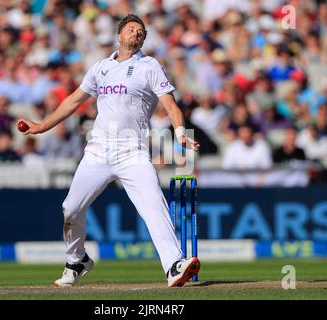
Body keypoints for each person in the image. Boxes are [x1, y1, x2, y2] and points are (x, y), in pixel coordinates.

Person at [18, 14, 201, 287]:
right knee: (71, 209)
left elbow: (171, 105)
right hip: (98, 151)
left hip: (132, 151)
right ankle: (76, 260)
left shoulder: (150, 66)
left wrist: (179, 133)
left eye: (141, 32)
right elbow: (73, 101)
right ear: (119, 36)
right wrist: (43, 126)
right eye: (131, 29)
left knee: (153, 204)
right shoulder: (100, 68)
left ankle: (174, 264)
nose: (136, 34)